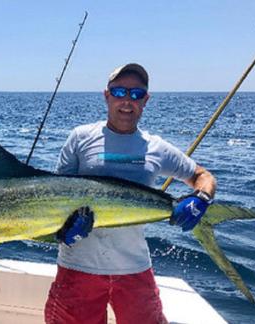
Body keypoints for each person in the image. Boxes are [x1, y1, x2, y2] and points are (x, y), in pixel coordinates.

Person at [44, 63, 217, 324]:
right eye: (119, 92)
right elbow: (56, 197)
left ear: (146, 100)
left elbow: (203, 177)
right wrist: (63, 231)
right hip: (78, 266)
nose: (127, 101)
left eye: (136, 94)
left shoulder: (155, 147)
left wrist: (201, 199)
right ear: (106, 95)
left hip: (134, 268)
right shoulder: (80, 138)